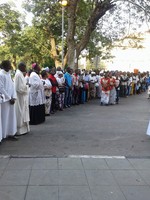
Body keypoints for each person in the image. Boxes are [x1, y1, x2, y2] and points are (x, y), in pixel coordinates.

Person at [0, 60, 17, 140]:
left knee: (11, 117)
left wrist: (13, 96)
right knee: (4, 117)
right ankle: (3, 135)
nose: (10, 66)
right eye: (9, 65)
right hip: (5, 100)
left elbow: (12, 86)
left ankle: (11, 133)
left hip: (11, 99)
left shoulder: (9, 74)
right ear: (3, 66)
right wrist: (9, 98)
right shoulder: (1, 74)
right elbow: (1, 88)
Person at [14, 62, 30, 135]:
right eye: (24, 67)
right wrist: (27, 86)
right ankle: (20, 130)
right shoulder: (18, 75)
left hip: (23, 96)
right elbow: (19, 88)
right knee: (21, 112)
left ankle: (24, 129)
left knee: (24, 112)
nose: (25, 68)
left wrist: (26, 86)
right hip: (20, 97)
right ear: (21, 67)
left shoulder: (20, 74)